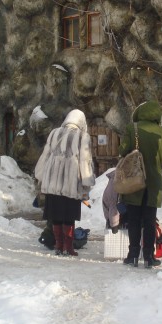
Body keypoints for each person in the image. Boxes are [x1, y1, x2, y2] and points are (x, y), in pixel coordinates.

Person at [34, 109, 95, 256]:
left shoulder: (54, 133)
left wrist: (40, 176)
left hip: (52, 182)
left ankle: (58, 246)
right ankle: (69, 248)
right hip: (71, 183)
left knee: (55, 215)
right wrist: (87, 181)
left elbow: (45, 156)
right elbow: (85, 161)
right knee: (69, 216)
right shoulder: (82, 136)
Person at [119, 100, 162, 269]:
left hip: (134, 181)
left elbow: (122, 151)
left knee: (133, 219)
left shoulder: (131, 129)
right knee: (149, 220)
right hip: (153, 183)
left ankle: (132, 255)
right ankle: (149, 256)